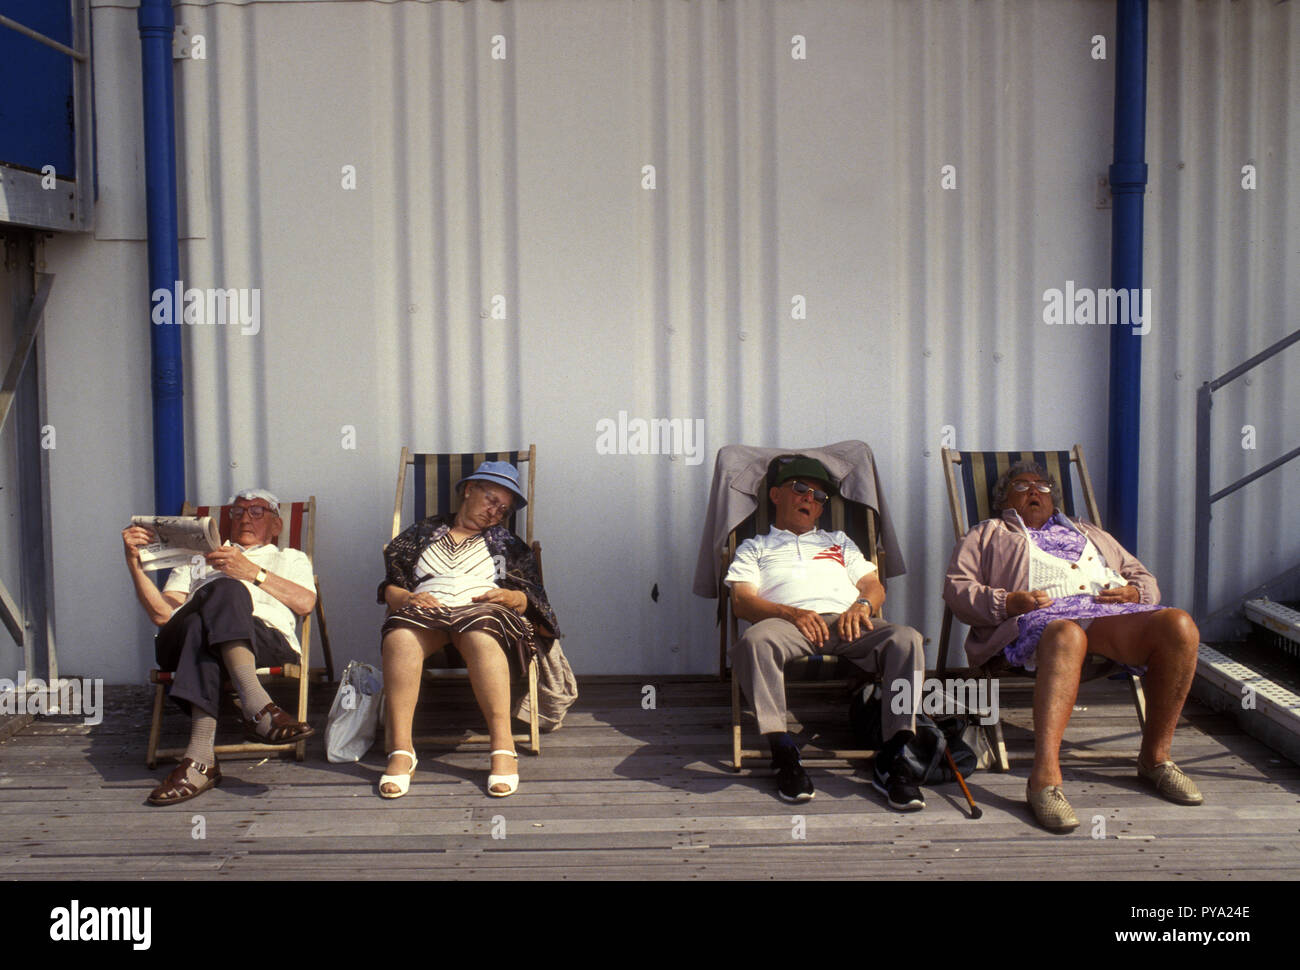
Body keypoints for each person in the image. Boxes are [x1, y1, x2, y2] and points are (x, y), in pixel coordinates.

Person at [943, 461, 1203, 832]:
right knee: (1067, 635)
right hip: (1040, 621)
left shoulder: (1090, 533)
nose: (1035, 490)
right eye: (1022, 485)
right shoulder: (989, 533)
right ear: (1004, 499)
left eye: (1043, 485)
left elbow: (1142, 576)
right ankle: (1044, 780)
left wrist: (1135, 591)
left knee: (1180, 626)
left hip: (1106, 612)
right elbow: (957, 589)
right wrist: (1007, 602)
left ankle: (1155, 758)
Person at [724, 455, 927, 810]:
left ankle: (893, 754)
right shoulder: (755, 547)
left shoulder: (840, 541)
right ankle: (783, 751)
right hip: (787, 626)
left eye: (819, 497)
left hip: (850, 623)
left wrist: (861, 607)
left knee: (906, 639)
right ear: (775, 495)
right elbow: (742, 602)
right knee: (753, 642)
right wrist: (791, 613)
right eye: (800, 489)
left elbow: (873, 585)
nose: (809, 499)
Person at [377, 461, 561, 799]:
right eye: (491, 500)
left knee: (479, 634)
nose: (495, 513)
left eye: (503, 509)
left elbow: (535, 599)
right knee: (401, 636)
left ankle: (503, 746)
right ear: (469, 490)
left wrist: (512, 595)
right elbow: (390, 587)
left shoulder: (509, 545)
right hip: (428, 609)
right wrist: (407, 597)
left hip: (484, 610)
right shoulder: (420, 534)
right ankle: (401, 750)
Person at [122, 489, 316, 806]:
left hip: (264, 640)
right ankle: (258, 708)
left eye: (257, 511)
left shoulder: (289, 558)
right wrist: (134, 563)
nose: (244, 517)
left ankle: (200, 761)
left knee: (205, 621)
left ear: (277, 525)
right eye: (237, 512)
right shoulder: (195, 560)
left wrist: (251, 572)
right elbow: (162, 615)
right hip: (179, 642)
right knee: (218, 594)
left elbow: (305, 602)